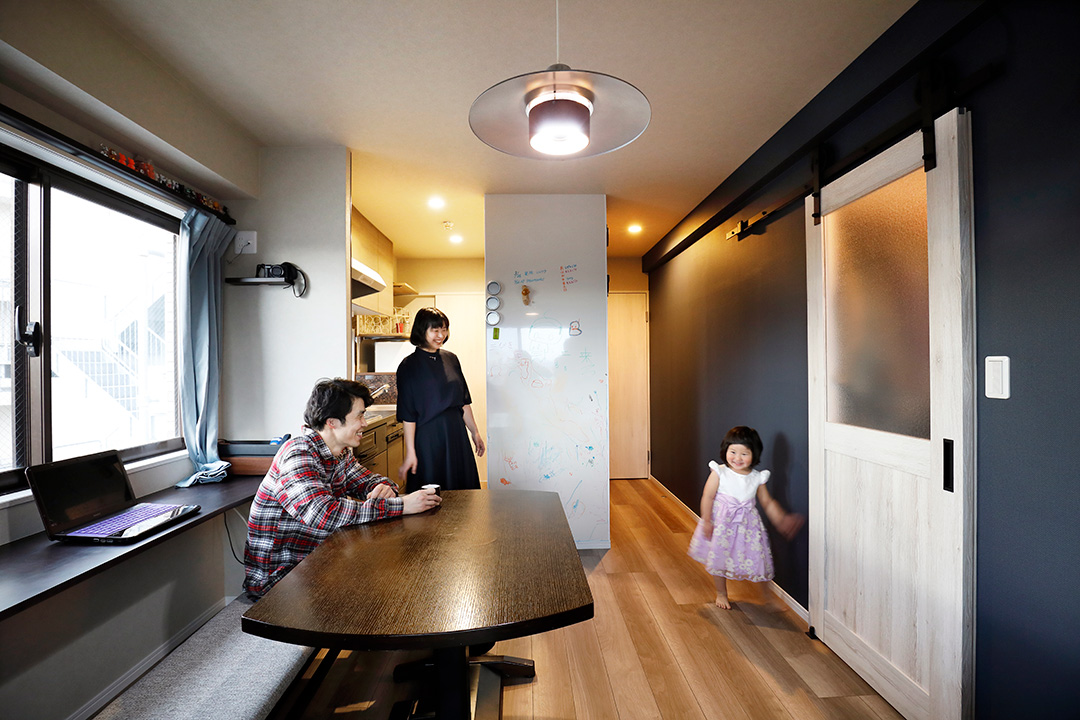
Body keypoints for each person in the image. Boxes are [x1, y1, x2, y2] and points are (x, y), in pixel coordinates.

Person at [243, 378, 441, 598]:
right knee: (386, 586)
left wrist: (385, 488)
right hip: (280, 577)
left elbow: (369, 480)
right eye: (359, 416)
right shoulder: (298, 454)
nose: (364, 423)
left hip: (319, 558)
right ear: (332, 422)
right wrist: (401, 505)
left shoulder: (340, 453)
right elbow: (324, 514)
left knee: (392, 577)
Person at [688, 426, 804, 609]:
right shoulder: (720, 472)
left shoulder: (757, 478)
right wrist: (707, 520)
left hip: (747, 527)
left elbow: (767, 502)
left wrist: (781, 519)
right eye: (733, 452)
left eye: (744, 453)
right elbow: (707, 496)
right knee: (719, 557)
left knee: (758, 558)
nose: (737, 458)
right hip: (722, 524)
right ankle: (721, 593)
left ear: (754, 454)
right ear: (725, 450)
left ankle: (767, 596)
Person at [396, 307, 485, 492]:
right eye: (435, 330)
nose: (441, 335)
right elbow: (408, 414)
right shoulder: (408, 366)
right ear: (422, 330)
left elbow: (463, 402)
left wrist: (475, 432)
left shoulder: (452, 359)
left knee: (462, 491)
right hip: (429, 438)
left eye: (444, 330)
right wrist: (411, 452)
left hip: (456, 433)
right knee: (431, 494)